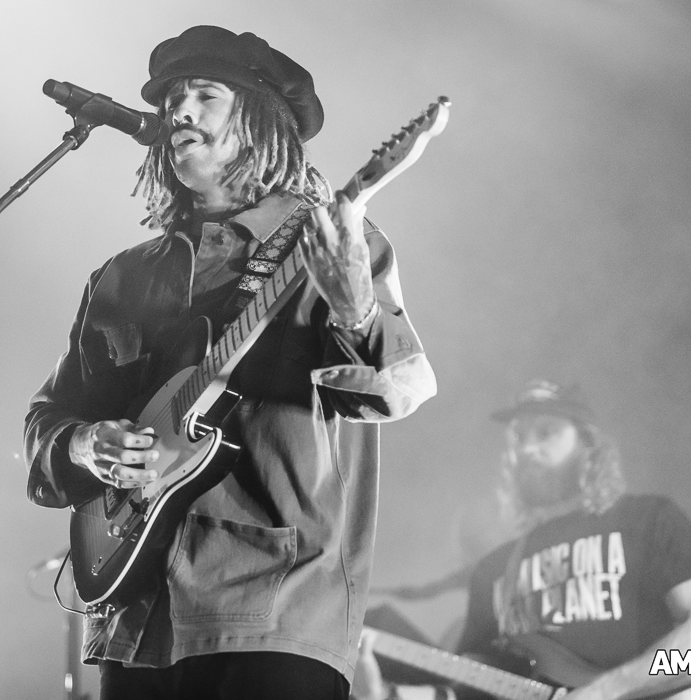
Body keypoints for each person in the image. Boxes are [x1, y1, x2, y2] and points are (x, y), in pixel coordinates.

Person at [24, 25, 437, 700]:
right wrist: (84, 445)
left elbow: (398, 388)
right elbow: (49, 418)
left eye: (205, 95)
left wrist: (354, 304)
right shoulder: (124, 278)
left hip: (274, 612)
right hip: (135, 623)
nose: (178, 112)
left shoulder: (332, 242)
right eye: (171, 99)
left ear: (262, 118)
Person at [353, 380, 691, 700]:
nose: (527, 449)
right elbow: (476, 687)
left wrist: (601, 693)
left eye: (546, 432)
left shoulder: (647, 518)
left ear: (588, 444)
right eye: (518, 437)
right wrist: (387, 695)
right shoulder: (493, 570)